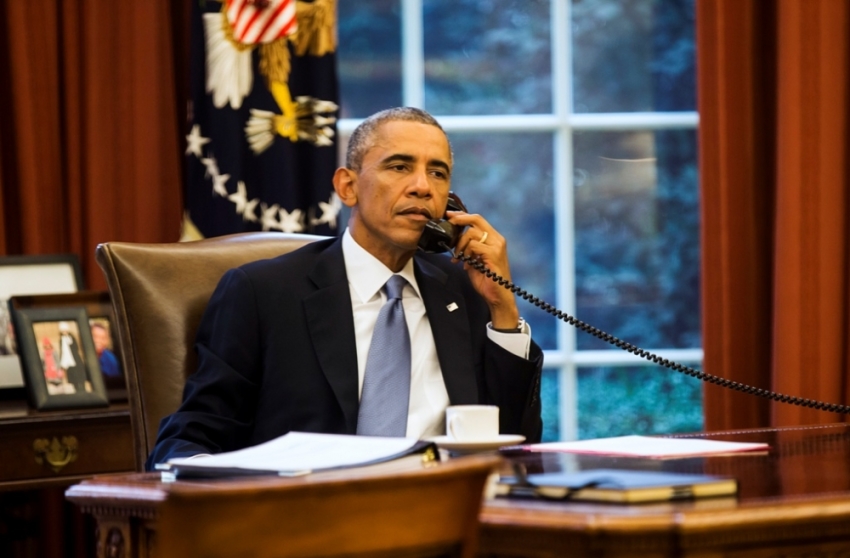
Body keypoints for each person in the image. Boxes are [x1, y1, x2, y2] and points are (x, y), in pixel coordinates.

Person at [146, 107, 543, 469]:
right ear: (348, 187)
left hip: (444, 514)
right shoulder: (262, 293)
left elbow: (515, 445)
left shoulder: (464, 288)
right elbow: (192, 438)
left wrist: (503, 310)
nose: (423, 187)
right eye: (400, 167)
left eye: (438, 173)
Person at [58, 322, 86, 393]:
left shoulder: (71, 338)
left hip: (75, 359)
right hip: (68, 361)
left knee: (79, 375)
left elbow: (76, 348)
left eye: (65, 330)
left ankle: (82, 389)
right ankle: (76, 389)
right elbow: (62, 350)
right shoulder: (61, 340)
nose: (64, 332)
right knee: (72, 376)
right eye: (63, 331)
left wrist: (69, 341)